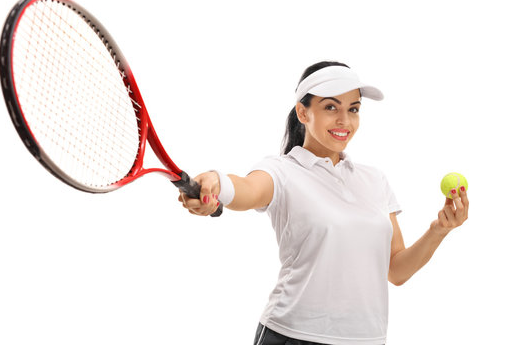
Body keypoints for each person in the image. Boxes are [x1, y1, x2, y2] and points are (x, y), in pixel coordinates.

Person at [177, 61, 469, 345]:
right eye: (331, 107)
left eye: (353, 109)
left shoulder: (375, 180)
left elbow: (396, 270)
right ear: (303, 112)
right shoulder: (282, 171)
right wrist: (217, 182)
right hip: (293, 336)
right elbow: (247, 188)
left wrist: (439, 230)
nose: (344, 121)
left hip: (367, 339)